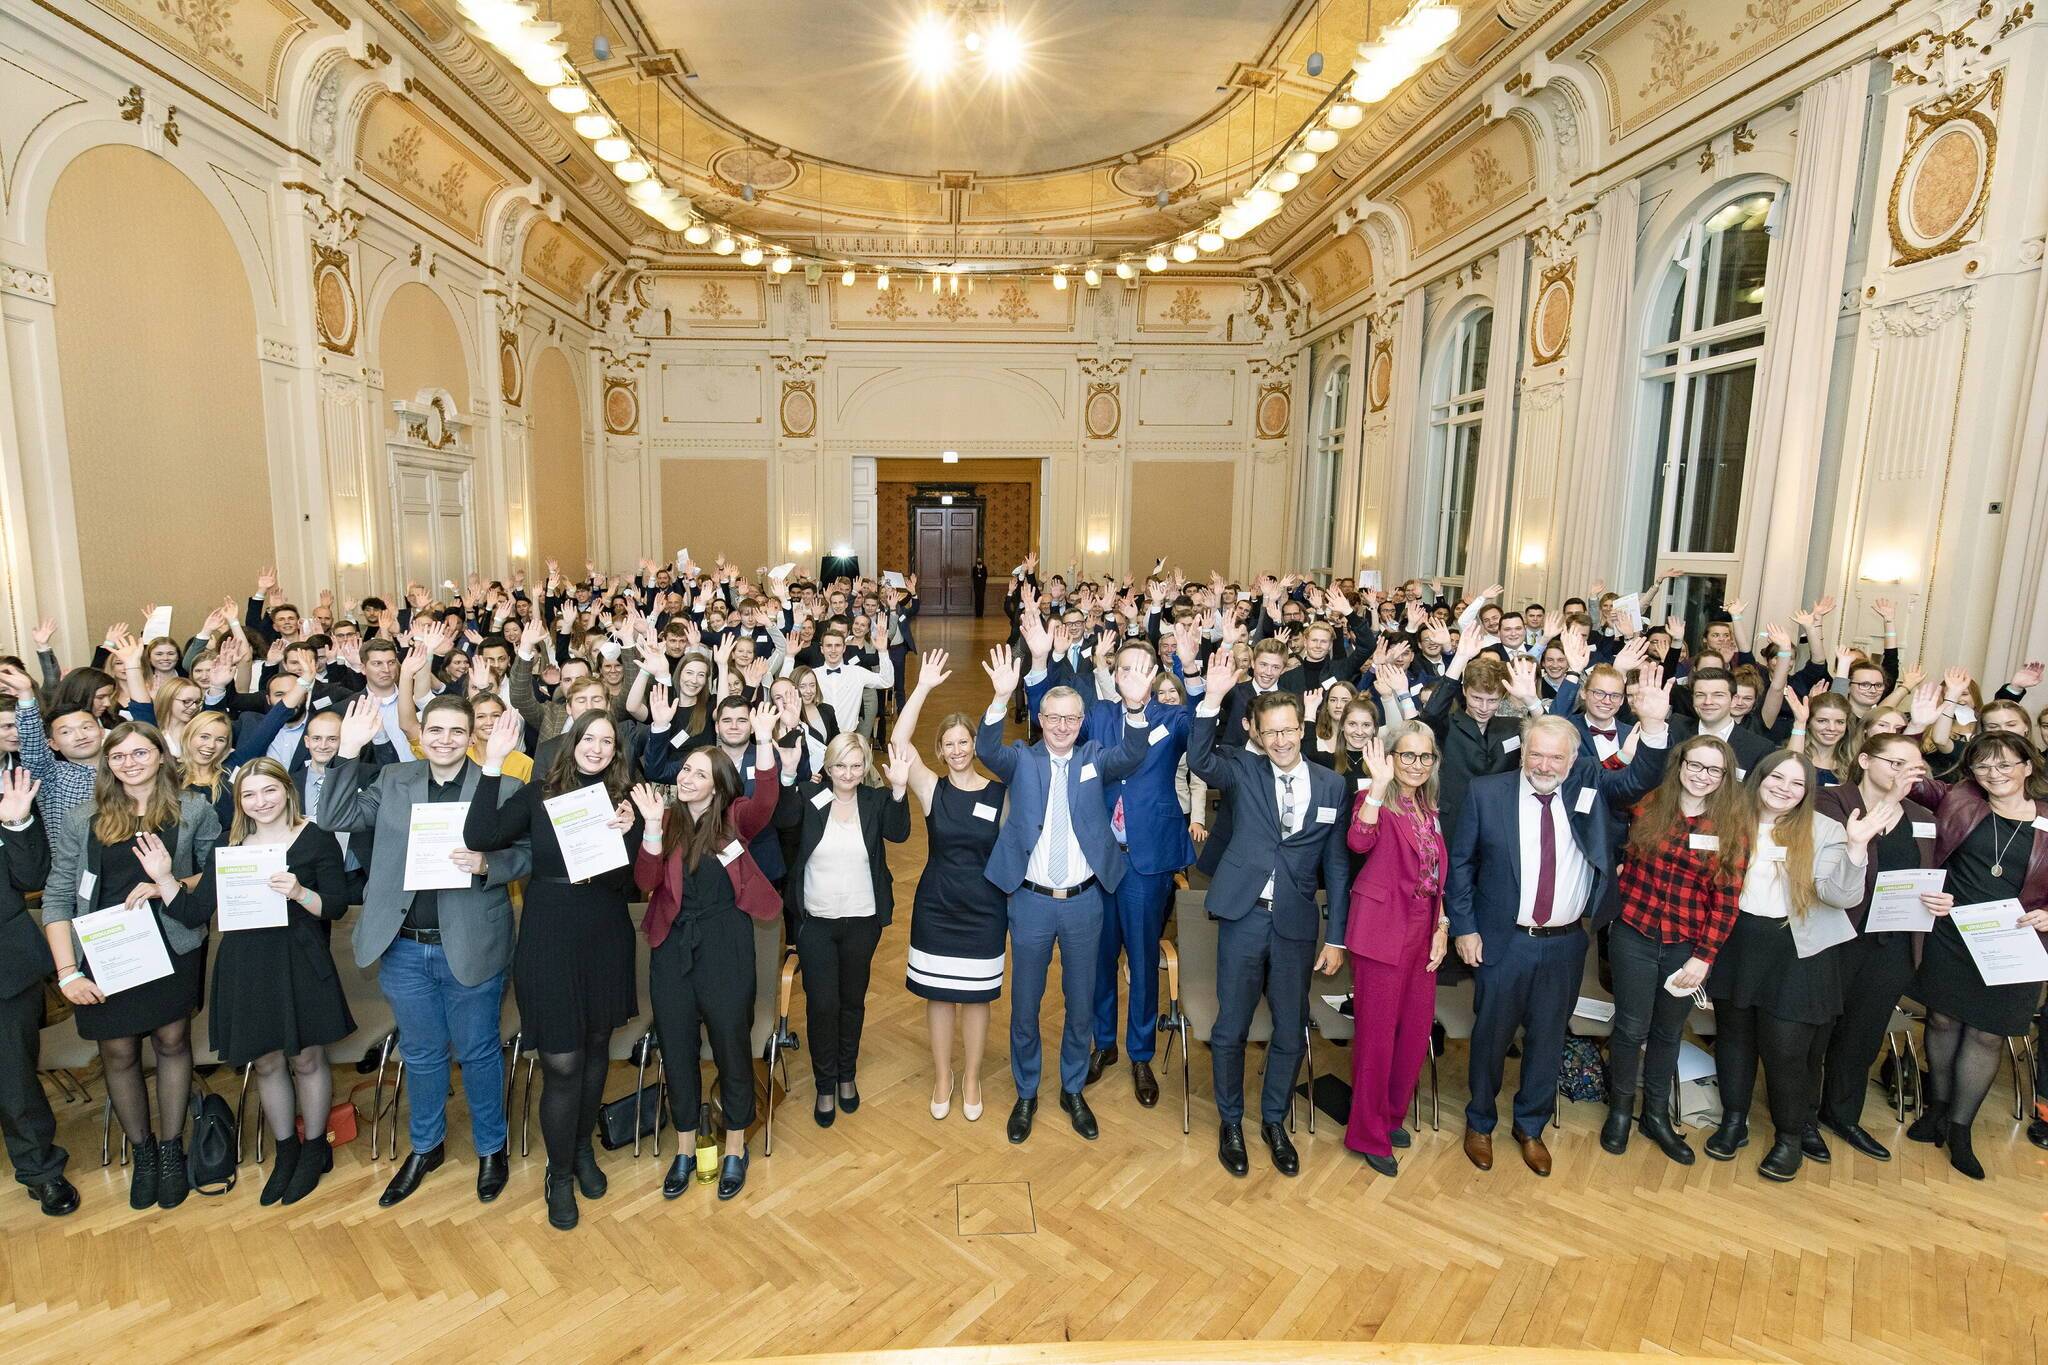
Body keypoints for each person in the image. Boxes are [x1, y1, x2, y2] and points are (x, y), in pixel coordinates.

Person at [1448, 678, 1673, 1177]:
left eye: (1557, 758)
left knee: (1549, 1038)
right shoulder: (1487, 794)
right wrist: (1464, 927)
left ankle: (1530, 1125)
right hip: (1503, 941)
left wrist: (1655, 725)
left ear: (1574, 760)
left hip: (1567, 943)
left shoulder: (1588, 784)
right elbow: (1459, 865)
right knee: (1490, 1037)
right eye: (1537, 755)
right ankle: (1480, 1121)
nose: (1545, 766)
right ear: (1523, 752)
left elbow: (1639, 780)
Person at [315, 693, 531, 1209]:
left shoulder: (501, 783)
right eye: (435, 730)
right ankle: (426, 1146)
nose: (445, 740)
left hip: (473, 942)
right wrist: (346, 752)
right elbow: (333, 814)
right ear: (421, 733)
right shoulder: (394, 780)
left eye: (457, 731)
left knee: (479, 1051)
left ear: (471, 737)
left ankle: (491, 1148)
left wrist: (487, 866)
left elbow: (525, 853)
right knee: (422, 1053)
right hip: (405, 947)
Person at [465, 709, 639, 1231]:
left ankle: (581, 1149)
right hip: (548, 933)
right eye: (590, 738)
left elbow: (627, 884)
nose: (598, 748)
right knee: (562, 1063)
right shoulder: (539, 793)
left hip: (604, 932)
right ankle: (558, 1173)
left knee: (593, 1055)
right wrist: (493, 766)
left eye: (608, 741)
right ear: (572, 742)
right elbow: (482, 834)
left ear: (617, 751)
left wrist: (632, 834)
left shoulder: (623, 801)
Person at [975, 643, 1153, 1145]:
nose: (1060, 726)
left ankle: (1073, 1087)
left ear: (1081, 721)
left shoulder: (1097, 758)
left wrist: (1136, 708)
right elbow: (986, 750)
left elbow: (1134, 752)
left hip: (1084, 903)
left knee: (1080, 1006)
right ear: (1040, 718)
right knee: (1026, 1004)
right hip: (1029, 901)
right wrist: (999, 698)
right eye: (1052, 717)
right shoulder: (1021, 761)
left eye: (1070, 718)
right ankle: (1026, 1090)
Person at [1185, 649, 1351, 1178]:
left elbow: (1339, 867)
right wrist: (1210, 700)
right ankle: (1231, 1121)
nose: (1281, 740)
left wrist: (1338, 936)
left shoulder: (1329, 785)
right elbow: (1201, 760)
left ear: (1302, 728)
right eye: (1270, 732)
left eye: (1289, 730)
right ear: (1256, 733)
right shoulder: (1242, 768)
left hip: (1298, 924)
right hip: (1243, 916)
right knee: (1231, 1025)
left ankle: (1273, 1120)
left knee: (1290, 1027)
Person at [41, 721, 220, 1210]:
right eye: (119, 756)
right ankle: (142, 1153)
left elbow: (215, 873)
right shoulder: (84, 818)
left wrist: (169, 882)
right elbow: (58, 897)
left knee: (172, 1042)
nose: (130, 763)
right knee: (117, 1054)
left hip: (172, 945)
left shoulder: (194, 809)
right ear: (108, 763)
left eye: (141, 753)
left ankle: (170, 1152)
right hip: (104, 953)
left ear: (161, 756)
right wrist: (67, 973)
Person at [165, 758, 350, 1205]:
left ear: (287, 790)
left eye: (269, 791)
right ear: (239, 802)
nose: (260, 801)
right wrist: (161, 880)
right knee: (266, 1062)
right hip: (246, 964)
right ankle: (285, 1149)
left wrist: (299, 892)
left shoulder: (316, 838)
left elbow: (338, 906)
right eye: (249, 795)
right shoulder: (231, 850)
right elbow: (193, 913)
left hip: (299, 960)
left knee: (307, 1059)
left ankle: (313, 1147)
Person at [630, 698, 783, 1201]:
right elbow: (646, 880)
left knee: (731, 1049)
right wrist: (650, 827)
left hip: (726, 948)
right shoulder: (667, 818)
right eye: (685, 769)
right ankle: (686, 1149)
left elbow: (765, 803)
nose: (687, 776)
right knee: (676, 1051)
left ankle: (734, 1145)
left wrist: (762, 742)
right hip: (673, 949)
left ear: (717, 782)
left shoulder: (736, 819)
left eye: (698, 771)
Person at [1701, 750, 1873, 1181]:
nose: (1784, 788)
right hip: (1736, 943)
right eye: (1777, 777)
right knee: (1734, 1039)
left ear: (1807, 791)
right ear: (1759, 777)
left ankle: (1789, 1139)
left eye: (1797, 784)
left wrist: (1856, 847)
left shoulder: (1827, 829)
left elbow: (1841, 896)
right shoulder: (1727, 818)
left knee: (1786, 1052)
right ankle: (1734, 1122)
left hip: (1798, 950)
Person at [1600, 736, 1750, 1164]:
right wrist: (1631, 746)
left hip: (1686, 946)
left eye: (1713, 770)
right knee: (1629, 1028)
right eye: (1695, 765)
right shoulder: (1648, 802)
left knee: (1668, 1032)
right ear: (1679, 764)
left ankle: (1655, 1115)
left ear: (1723, 778)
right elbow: (1607, 777)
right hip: (1633, 933)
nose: (1702, 776)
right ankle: (1621, 1112)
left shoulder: (1730, 826)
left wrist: (1704, 958)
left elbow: (1727, 899)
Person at [1905, 730, 2048, 1179]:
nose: (1994, 773)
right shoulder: (1959, 801)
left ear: (2028, 766)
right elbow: (1904, 775)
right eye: (1984, 765)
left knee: (1987, 1035)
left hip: (2016, 942)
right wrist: (1919, 727)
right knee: (1943, 1020)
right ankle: (1936, 1111)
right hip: (1953, 932)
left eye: (2005, 764)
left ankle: (1961, 1129)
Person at [1079, 634, 1201, 1107]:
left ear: (1154, 676)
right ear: (1113, 674)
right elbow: (1054, 718)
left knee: (1144, 957)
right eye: (1123, 668)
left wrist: (1191, 672)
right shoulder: (1100, 716)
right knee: (1100, 955)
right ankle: (1104, 1043)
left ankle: (1140, 1053)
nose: (1131, 675)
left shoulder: (1173, 719)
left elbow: (1207, 731)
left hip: (1147, 859)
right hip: (1102, 854)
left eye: (1140, 668)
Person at [1813, 732, 1945, 1161]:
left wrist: (1938, 898)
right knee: (1815, 1029)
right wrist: (1885, 808)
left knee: (1862, 1033)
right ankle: (1798, 1116)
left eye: (1914, 768)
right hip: (1836, 936)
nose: (1906, 774)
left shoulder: (1922, 815)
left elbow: (1927, 870)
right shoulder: (1830, 801)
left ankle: (1842, 1114)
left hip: (1893, 943)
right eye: (1896, 763)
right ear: (1866, 760)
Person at [890, 650, 1007, 1121]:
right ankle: (944, 1076)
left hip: (984, 909)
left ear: (975, 744)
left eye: (965, 742)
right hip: (936, 905)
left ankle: (973, 1077)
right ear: (940, 751)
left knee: (977, 1000)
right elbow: (898, 740)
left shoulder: (1001, 793)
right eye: (949, 744)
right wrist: (922, 688)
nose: (957, 750)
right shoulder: (931, 789)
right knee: (939, 995)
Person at [778, 732, 911, 1126]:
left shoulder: (873, 800)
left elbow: (899, 832)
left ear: (865, 766)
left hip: (862, 921)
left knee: (852, 1002)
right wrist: (787, 776)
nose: (848, 773)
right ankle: (824, 1083)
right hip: (815, 922)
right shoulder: (808, 796)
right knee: (822, 1005)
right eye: (840, 766)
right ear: (828, 767)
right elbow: (784, 820)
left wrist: (900, 790)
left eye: (855, 766)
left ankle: (847, 1074)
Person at [1342, 726, 1449, 1176]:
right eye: (1408, 756)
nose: (1416, 765)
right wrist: (1378, 787)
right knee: (1377, 1037)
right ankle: (1367, 1133)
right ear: (1391, 757)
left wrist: (1442, 924)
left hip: (1423, 928)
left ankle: (1389, 1116)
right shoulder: (1375, 797)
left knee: (1414, 1032)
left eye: (1425, 758)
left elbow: (1436, 872)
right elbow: (1358, 842)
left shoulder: (1428, 807)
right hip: (1382, 931)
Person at [0, 769, 76, 1215]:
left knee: (14, 1082)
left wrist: (16, 824)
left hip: (5, 971)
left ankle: (41, 1171)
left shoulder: (8, 803)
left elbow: (32, 874)